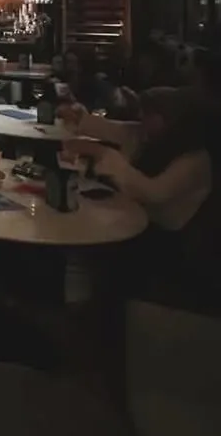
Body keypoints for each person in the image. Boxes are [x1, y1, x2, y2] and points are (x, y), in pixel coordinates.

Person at [65, 87, 217, 310]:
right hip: (132, 220)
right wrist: (75, 115)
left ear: (169, 119)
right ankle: (85, 301)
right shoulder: (144, 134)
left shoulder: (194, 159)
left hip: (166, 239)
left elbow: (153, 193)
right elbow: (105, 127)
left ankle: (98, 309)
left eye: (148, 113)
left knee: (91, 234)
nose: (140, 117)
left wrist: (105, 155)